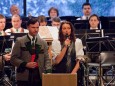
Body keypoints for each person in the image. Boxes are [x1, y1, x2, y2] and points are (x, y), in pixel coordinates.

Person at [10, 17, 52, 86]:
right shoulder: (20, 41)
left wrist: (49, 72)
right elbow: (13, 59)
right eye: (33, 27)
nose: (36, 30)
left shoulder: (43, 42)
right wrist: (25, 64)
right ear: (28, 27)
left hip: (39, 76)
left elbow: (47, 59)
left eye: (37, 27)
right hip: (24, 76)